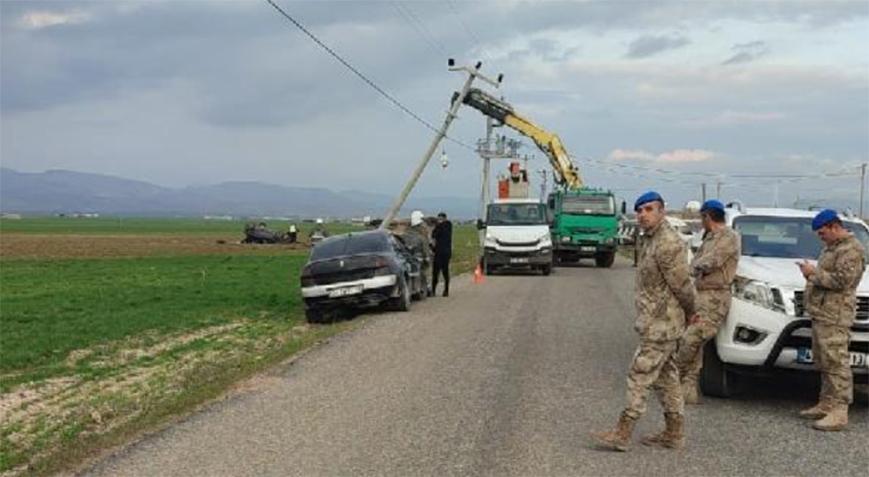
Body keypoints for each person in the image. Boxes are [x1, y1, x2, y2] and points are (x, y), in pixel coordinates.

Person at [592, 191, 695, 451]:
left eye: (649, 209)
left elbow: (683, 285)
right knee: (666, 377)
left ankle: (623, 432)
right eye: (639, 211)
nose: (643, 215)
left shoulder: (668, 243)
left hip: (662, 324)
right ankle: (674, 433)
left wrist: (692, 311)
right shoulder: (649, 239)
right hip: (654, 321)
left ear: (661, 211)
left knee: (639, 374)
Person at [797, 209, 865, 431]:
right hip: (823, 312)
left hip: (836, 314)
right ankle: (826, 403)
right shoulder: (832, 248)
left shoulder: (851, 250)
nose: (821, 237)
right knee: (824, 359)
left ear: (835, 227)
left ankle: (839, 410)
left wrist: (812, 273)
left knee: (836, 361)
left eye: (822, 233)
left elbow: (842, 281)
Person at [673, 199, 740, 404]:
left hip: (715, 296)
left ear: (707, 216)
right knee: (695, 343)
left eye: (702, 217)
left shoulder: (729, 237)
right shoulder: (709, 237)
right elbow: (697, 260)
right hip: (701, 293)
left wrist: (690, 269)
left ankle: (673, 375)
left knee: (692, 338)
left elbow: (713, 260)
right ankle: (687, 389)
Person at [407, 211, 432, 295]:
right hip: (420, 257)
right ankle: (426, 288)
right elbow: (425, 245)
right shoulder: (422, 232)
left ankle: (416, 288)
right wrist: (427, 257)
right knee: (424, 272)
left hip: (409, 257)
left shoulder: (407, 232)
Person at [430, 212, 453, 297]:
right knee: (440, 272)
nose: (440, 220)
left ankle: (439, 290)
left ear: (444, 218)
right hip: (444, 252)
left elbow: (434, 235)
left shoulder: (445, 226)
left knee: (440, 272)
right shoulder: (447, 226)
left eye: (440, 219)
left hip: (440, 253)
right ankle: (439, 290)